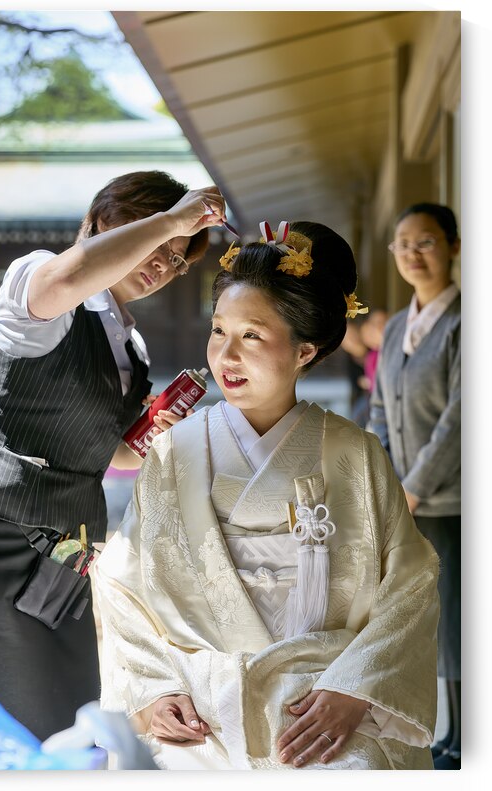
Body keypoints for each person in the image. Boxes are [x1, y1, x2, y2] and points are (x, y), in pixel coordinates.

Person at [95, 220, 440, 770]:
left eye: (252, 335)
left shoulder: (354, 452)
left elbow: (410, 582)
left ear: (305, 350)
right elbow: (121, 581)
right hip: (201, 707)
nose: (225, 355)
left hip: (324, 701)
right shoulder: (175, 450)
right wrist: (154, 690)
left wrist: (357, 689)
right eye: (218, 331)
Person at [0, 170, 228, 741]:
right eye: (157, 243)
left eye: (177, 259)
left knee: (68, 719)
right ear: (103, 220)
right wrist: (177, 219)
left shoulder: (130, 343)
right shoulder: (34, 276)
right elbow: (74, 273)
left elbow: (108, 455)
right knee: (6, 722)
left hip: (71, 554)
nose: (163, 263)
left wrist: (150, 432)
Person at [368, 202, 461, 770]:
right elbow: (380, 409)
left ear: (453, 246)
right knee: (426, 618)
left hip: (452, 501)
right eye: (402, 244)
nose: (412, 253)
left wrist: (416, 486)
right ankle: (447, 732)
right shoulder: (400, 325)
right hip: (404, 498)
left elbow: (463, 415)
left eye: (424, 242)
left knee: (457, 618)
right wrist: (383, 479)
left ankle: (465, 737)